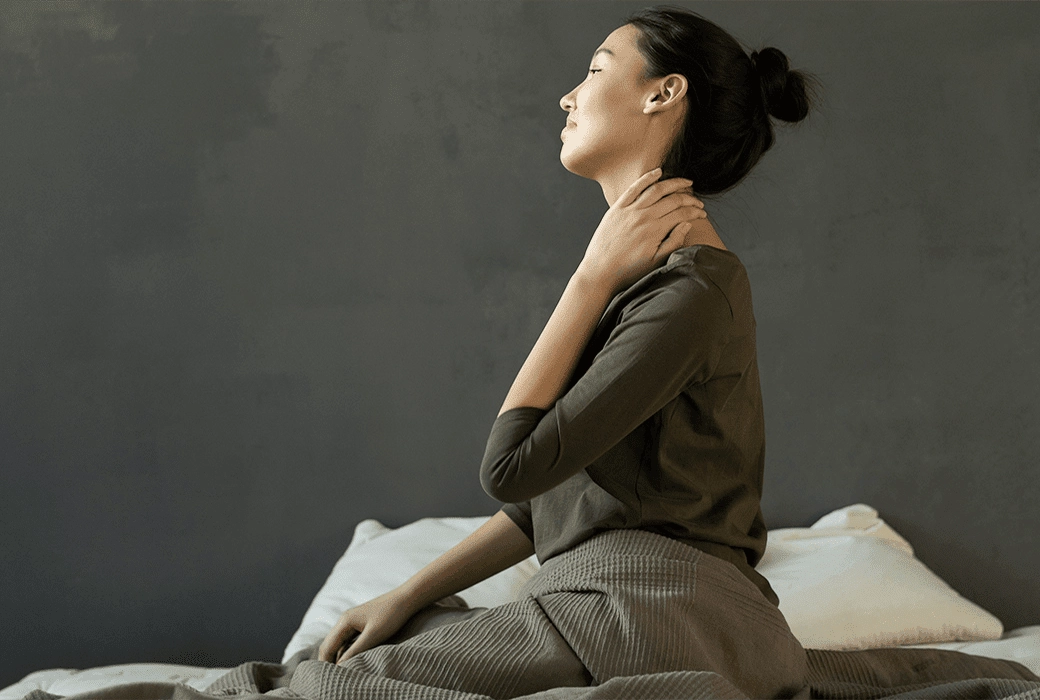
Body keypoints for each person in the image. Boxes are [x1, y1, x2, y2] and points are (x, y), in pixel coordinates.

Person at [316, 5, 822, 698]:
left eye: (594, 70)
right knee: (380, 643)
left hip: (662, 607)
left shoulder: (693, 291)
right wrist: (402, 595)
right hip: (610, 601)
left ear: (663, 93)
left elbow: (510, 467)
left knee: (335, 688)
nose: (568, 95)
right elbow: (548, 498)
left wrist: (588, 277)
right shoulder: (651, 281)